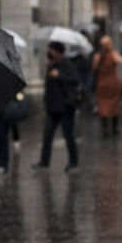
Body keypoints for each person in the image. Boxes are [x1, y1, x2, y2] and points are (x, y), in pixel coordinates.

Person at [33, 42, 81, 173]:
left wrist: (59, 75)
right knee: (47, 136)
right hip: (52, 108)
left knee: (68, 136)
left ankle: (73, 162)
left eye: (51, 49)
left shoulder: (66, 64)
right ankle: (44, 162)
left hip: (65, 108)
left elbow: (75, 80)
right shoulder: (50, 65)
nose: (48, 51)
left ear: (57, 51)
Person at [92, 36, 122, 138]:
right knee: (114, 106)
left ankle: (105, 128)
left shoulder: (97, 56)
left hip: (102, 83)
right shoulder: (113, 54)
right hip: (113, 82)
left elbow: (93, 69)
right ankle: (114, 128)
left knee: (103, 106)